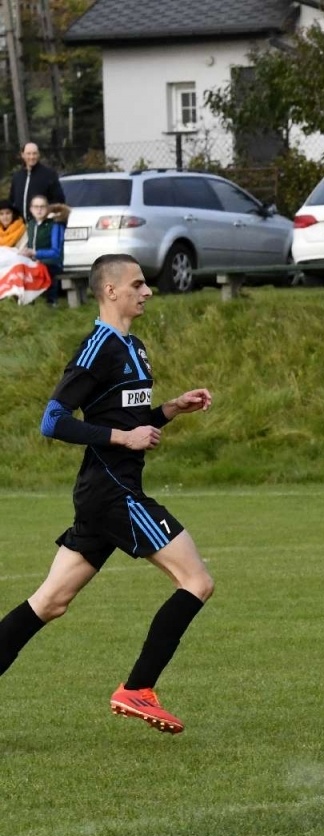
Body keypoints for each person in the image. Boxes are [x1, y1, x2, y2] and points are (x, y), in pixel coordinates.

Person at [0, 253, 215, 734]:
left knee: (49, 603)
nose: (148, 291)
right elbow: (52, 421)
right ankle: (138, 689)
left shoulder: (134, 348)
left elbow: (125, 420)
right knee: (196, 581)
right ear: (111, 290)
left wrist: (168, 411)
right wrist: (123, 439)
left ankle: (137, 688)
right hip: (112, 492)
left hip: (108, 492)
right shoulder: (97, 348)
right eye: (138, 284)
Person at [20, 195, 64, 306]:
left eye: (42, 206)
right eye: (36, 206)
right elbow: (26, 244)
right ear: (31, 209)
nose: (39, 209)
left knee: (43, 267)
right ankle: (25, 301)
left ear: (48, 208)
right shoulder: (30, 224)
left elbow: (56, 252)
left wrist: (36, 253)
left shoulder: (55, 224)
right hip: (33, 260)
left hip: (53, 262)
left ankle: (52, 301)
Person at [9, 142, 65, 220]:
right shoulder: (17, 177)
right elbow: (12, 201)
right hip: (20, 226)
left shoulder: (49, 174)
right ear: (23, 155)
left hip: (41, 224)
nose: (31, 157)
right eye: (28, 154)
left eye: (34, 153)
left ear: (38, 155)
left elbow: (59, 199)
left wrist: (45, 215)